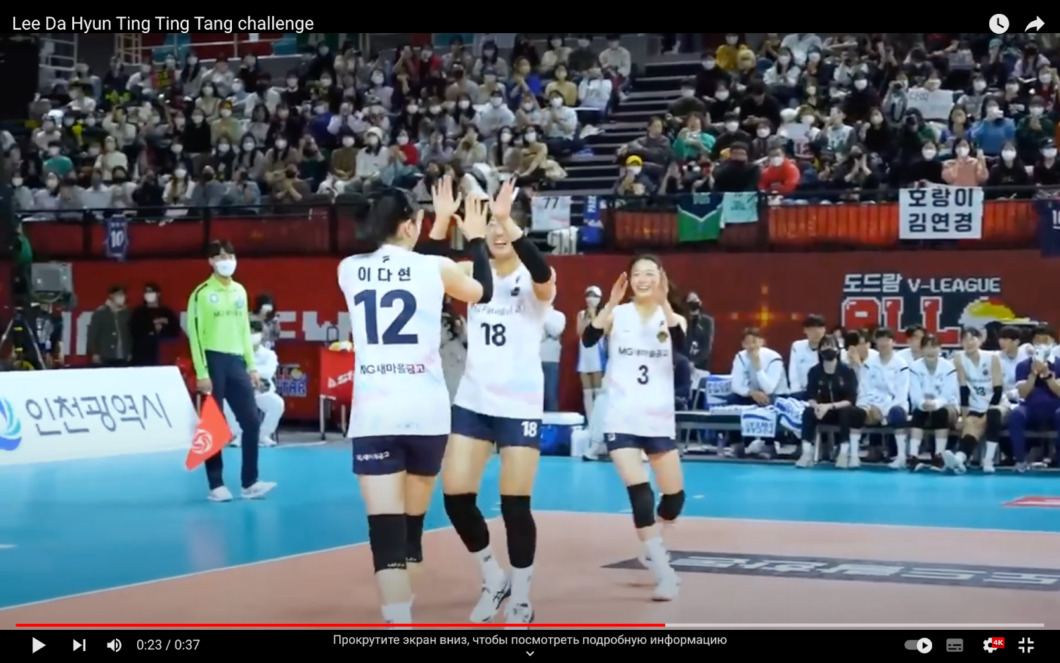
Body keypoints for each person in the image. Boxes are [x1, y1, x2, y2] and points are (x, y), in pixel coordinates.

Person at [337, 178, 493, 626]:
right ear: (409, 226)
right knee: (411, 528)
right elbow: (482, 289)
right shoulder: (433, 270)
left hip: (375, 414)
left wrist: (434, 226)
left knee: (384, 530)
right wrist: (476, 237)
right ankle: (405, 610)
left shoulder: (348, 269)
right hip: (426, 414)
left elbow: (407, 261)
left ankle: (398, 617)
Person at [430, 180, 556, 627]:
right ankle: (492, 575)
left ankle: (521, 596)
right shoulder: (472, 268)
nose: (498, 233)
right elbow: (427, 266)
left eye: (506, 224)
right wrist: (446, 221)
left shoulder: (535, 277)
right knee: (455, 497)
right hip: (474, 399)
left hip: (519, 404)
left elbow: (543, 276)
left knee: (514, 504)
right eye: (490, 225)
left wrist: (503, 220)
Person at [581, 255, 687, 602]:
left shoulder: (672, 318)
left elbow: (682, 349)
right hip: (622, 416)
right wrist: (610, 302)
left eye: (650, 274)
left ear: (661, 278)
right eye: (637, 274)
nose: (643, 279)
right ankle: (662, 571)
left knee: (674, 496)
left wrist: (665, 303)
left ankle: (654, 540)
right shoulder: (618, 314)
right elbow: (588, 338)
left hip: (657, 417)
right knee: (640, 493)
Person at [187, 240, 274, 502]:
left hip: (236, 361)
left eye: (231, 255)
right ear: (211, 261)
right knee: (214, 423)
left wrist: (251, 366)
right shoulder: (201, 293)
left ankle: (250, 482)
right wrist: (201, 372)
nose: (227, 260)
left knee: (251, 421)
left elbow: (244, 332)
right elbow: (195, 335)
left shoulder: (239, 291)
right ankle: (216, 485)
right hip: (213, 361)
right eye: (221, 256)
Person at [846, 328, 909, 468]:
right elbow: (864, 389)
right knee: (855, 413)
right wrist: (869, 407)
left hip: (893, 405)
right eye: (880, 340)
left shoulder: (901, 364)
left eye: (887, 340)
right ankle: (854, 457)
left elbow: (901, 394)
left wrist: (884, 410)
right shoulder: (869, 364)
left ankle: (901, 457)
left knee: (897, 413)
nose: (883, 343)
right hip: (871, 405)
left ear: (893, 342)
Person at [796, 334, 859, 468]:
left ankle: (843, 453)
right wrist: (816, 406)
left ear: (837, 349)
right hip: (821, 410)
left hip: (840, 409)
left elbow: (850, 399)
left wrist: (829, 406)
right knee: (807, 413)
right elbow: (810, 396)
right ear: (819, 350)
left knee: (846, 412)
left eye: (831, 346)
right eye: (824, 346)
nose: (828, 349)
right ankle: (806, 453)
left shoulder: (847, 371)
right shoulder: (814, 371)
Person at [1009, 325, 1060, 472]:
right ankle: (1020, 460)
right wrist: (1033, 374)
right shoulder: (1022, 366)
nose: (1042, 344)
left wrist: (1047, 374)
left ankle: (1057, 459)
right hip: (1030, 407)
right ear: (1033, 344)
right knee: (1016, 414)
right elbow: (1023, 393)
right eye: (1038, 341)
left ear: (1053, 343)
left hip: (1055, 406)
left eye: (1046, 340)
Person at [226, 320, 284, 448]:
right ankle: (240, 434)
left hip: (262, 393)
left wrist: (248, 372)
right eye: (249, 332)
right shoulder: (236, 353)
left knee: (277, 403)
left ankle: (262, 436)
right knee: (226, 401)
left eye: (255, 332)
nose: (252, 335)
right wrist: (250, 374)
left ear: (262, 334)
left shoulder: (269, 355)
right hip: (241, 393)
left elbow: (269, 372)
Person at [953, 327, 1003, 474]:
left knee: (992, 415)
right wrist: (963, 416)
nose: (969, 343)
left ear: (980, 340)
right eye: (965, 339)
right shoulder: (958, 358)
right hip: (975, 403)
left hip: (997, 402)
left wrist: (987, 412)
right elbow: (963, 389)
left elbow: (998, 389)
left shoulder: (992, 357)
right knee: (970, 423)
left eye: (973, 339)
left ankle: (988, 460)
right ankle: (960, 458)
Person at [905, 335, 959, 471]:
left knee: (940, 413)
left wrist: (935, 404)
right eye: (927, 347)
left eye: (934, 347)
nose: (930, 351)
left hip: (947, 405)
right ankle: (913, 457)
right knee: (918, 412)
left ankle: (938, 457)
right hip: (923, 404)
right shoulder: (914, 367)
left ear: (939, 349)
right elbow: (914, 393)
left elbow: (947, 394)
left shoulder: (948, 367)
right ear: (922, 349)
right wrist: (922, 403)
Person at [129, 282, 179, 366]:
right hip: (142, 355)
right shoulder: (138, 312)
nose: (148, 295)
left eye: (151, 292)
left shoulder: (167, 312)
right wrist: (151, 328)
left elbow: (175, 332)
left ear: (158, 294)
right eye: (146, 292)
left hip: (164, 356)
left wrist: (162, 329)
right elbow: (134, 332)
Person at [575, 286, 605, 417]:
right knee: (587, 391)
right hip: (584, 355)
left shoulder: (603, 314)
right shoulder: (581, 314)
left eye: (594, 296)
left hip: (597, 354)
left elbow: (598, 330)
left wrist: (593, 313)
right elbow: (580, 332)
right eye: (588, 296)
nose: (590, 299)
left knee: (598, 391)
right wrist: (586, 316)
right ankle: (590, 420)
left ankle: (598, 421)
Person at [87, 285, 133, 367]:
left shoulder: (127, 313)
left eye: (123, 295)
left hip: (123, 356)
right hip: (105, 355)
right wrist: (95, 353)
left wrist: (129, 351)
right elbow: (93, 334)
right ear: (112, 296)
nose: (123, 297)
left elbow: (129, 334)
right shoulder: (101, 312)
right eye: (119, 295)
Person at [787, 314, 828, 399]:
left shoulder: (833, 347)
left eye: (820, 328)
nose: (817, 332)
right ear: (805, 330)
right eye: (813, 329)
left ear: (824, 330)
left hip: (825, 393)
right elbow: (794, 374)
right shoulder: (797, 346)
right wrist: (795, 395)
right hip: (802, 393)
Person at [541, 306, 566, 412]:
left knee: (550, 395)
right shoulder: (532, 314)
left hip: (551, 360)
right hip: (532, 360)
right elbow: (538, 336)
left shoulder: (558, 315)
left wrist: (543, 317)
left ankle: (551, 425)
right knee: (531, 396)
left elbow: (555, 331)